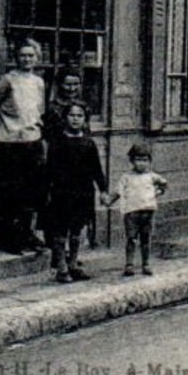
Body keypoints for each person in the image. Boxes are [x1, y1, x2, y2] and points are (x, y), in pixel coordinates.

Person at [0, 39, 49, 253]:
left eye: (31, 55)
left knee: (30, 192)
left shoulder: (39, 82)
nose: (27, 59)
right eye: (23, 55)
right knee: (11, 192)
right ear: (16, 57)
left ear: (37, 57)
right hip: (8, 142)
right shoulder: (7, 80)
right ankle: (9, 238)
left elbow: (39, 111)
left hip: (31, 142)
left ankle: (27, 234)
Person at [41, 102, 109, 283]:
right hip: (62, 193)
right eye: (72, 115)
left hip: (83, 192)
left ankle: (73, 264)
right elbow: (49, 170)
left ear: (85, 120)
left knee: (77, 230)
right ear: (65, 118)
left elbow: (96, 169)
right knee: (61, 230)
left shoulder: (88, 143)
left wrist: (103, 190)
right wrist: (47, 191)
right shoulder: (57, 143)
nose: (75, 119)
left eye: (80, 116)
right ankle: (61, 267)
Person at [113, 142, 169, 277]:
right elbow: (118, 191)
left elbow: (164, 184)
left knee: (146, 239)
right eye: (138, 160)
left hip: (148, 212)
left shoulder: (151, 176)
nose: (142, 163)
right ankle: (129, 264)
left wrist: (158, 193)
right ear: (132, 161)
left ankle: (146, 263)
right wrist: (109, 200)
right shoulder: (126, 177)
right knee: (131, 239)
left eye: (145, 160)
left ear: (149, 161)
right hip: (131, 213)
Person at [43, 65, 86, 145]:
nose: (72, 88)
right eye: (68, 85)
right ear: (60, 84)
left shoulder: (83, 106)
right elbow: (47, 136)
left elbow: (86, 132)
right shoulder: (52, 108)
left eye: (76, 84)